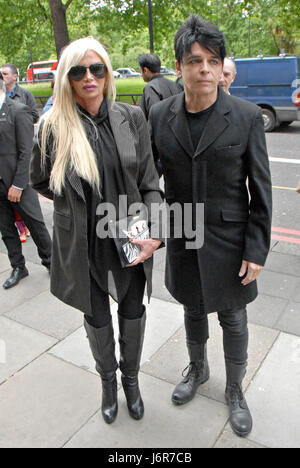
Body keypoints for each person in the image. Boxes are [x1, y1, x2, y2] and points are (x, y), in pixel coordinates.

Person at [149, 15, 272, 438]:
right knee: (192, 308)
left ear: (222, 68)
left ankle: (235, 389)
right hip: (184, 235)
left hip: (230, 241)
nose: (205, 69)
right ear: (179, 66)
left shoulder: (246, 116)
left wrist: (256, 249)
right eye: (195, 60)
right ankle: (197, 370)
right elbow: (150, 181)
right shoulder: (160, 114)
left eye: (213, 61)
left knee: (234, 318)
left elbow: (261, 189)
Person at [30, 37, 163, 425]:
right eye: (78, 71)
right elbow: (39, 180)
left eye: (97, 69)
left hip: (131, 238)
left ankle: (131, 381)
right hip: (84, 243)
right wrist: (75, 207)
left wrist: (155, 232)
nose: (89, 77)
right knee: (98, 318)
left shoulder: (131, 117)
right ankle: (108, 382)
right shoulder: (52, 128)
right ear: (67, 80)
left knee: (134, 312)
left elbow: (150, 182)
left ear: (107, 73)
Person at [0, 71, 52, 289]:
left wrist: (18, 184)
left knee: (36, 225)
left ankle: (52, 263)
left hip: (18, 183)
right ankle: (18, 266)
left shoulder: (17, 111)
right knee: (6, 229)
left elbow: (26, 151)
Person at [138, 53, 181, 120]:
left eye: (140, 70)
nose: (141, 74)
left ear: (145, 70)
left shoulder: (150, 88)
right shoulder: (175, 85)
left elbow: (155, 117)